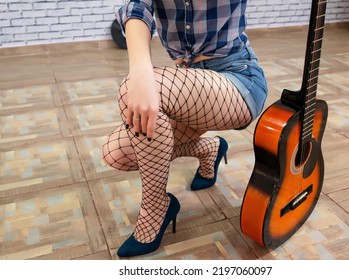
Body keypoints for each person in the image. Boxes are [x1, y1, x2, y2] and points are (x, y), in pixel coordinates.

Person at [102, 0, 268, 257]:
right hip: (189, 84)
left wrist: (144, 81)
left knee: (138, 90)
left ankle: (156, 207)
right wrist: (141, 72)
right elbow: (138, 7)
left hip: (237, 77)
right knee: (116, 153)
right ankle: (209, 148)